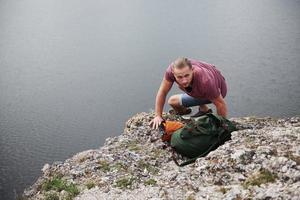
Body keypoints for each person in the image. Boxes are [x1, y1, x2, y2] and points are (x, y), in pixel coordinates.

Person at [150, 57, 228, 129]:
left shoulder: (205, 81)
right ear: (173, 73)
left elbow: (221, 104)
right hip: (200, 87)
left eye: (187, 75)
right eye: (179, 77)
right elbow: (163, 91)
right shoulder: (170, 71)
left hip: (219, 90)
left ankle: (204, 109)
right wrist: (158, 116)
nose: (184, 80)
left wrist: (221, 126)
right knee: (172, 101)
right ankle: (203, 109)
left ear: (192, 70)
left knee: (186, 85)